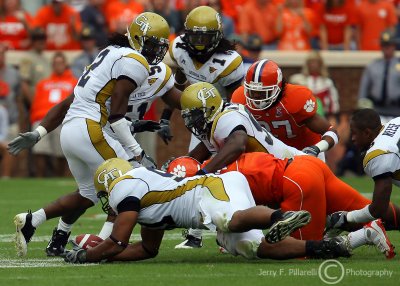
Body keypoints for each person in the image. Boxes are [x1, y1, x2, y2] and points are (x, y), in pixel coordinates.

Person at [11, 12, 171, 257]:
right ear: (138, 39)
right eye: (151, 45)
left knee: (88, 194)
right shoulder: (134, 60)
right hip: (91, 128)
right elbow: (116, 118)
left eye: (159, 46)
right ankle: (102, 245)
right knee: (126, 182)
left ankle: (34, 221)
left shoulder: (107, 54)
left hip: (71, 131)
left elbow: (70, 101)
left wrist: (40, 132)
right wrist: (138, 154)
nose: (155, 52)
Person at [61, 157, 352, 263]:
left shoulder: (124, 188)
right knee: (254, 247)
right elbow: (146, 250)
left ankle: (281, 216)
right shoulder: (145, 197)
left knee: (229, 220)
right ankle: (324, 248)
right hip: (215, 190)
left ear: (108, 185)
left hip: (210, 189)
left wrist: (88, 255)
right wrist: (108, 259)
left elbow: (117, 240)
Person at [166, 155, 396, 259]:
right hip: (305, 164)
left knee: (300, 249)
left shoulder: (214, 185)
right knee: (379, 210)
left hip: (295, 184)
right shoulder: (221, 159)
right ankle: (338, 222)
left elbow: (236, 217)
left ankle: (361, 236)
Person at [174, 81, 305, 248]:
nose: (192, 121)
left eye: (196, 115)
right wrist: (177, 169)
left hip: (291, 166)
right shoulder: (213, 122)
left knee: (313, 222)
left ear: (211, 108)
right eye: (188, 116)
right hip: (272, 172)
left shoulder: (227, 117)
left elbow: (237, 144)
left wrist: (204, 172)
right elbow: (196, 158)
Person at [168, 5, 245, 152]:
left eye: (205, 38)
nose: (199, 45)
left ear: (217, 35)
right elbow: (178, 82)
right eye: (195, 37)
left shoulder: (228, 62)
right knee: (195, 167)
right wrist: (166, 117)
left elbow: (235, 104)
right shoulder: (179, 48)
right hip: (198, 119)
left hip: (223, 117)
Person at [231, 59, 339, 161]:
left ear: (277, 88)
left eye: (263, 92)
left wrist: (316, 149)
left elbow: (330, 131)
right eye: (252, 91)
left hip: (303, 153)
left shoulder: (295, 98)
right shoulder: (240, 99)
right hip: (268, 157)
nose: (256, 97)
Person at [326, 109, 400, 236]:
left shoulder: (378, 152)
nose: (352, 139)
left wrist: (346, 218)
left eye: (354, 134)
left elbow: (378, 209)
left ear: (367, 133)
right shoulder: (394, 122)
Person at [30, 52, 77, 177]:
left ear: (66, 64)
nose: (58, 66)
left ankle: (58, 178)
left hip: (62, 119)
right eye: (55, 63)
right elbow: (36, 102)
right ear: (52, 65)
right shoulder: (43, 83)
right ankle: (40, 180)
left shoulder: (74, 82)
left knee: (61, 152)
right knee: (39, 150)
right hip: (41, 118)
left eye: (61, 63)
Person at [358, 30, 400, 117]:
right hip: (377, 110)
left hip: (397, 110)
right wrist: (362, 110)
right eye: (384, 45)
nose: (387, 48)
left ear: (394, 46)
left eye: (389, 45)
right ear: (381, 46)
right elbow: (363, 90)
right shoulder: (373, 65)